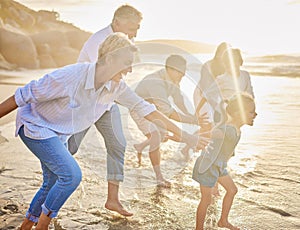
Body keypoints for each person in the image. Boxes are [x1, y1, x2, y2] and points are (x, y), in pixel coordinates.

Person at [0, 33, 206, 230]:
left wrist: (186, 136)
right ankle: (42, 226)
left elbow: (147, 110)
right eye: (127, 63)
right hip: (36, 126)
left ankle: (26, 225)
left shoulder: (116, 87)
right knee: (71, 176)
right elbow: (23, 94)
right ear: (110, 58)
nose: (130, 70)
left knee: (52, 181)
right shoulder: (72, 76)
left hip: (59, 132)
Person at [68, 5, 143, 216]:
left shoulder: (126, 39)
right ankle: (50, 189)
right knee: (70, 148)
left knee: (118, 143)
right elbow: (102, 76)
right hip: (85, 103)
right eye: (132, 27)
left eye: (137, 29)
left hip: (107, 103)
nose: (135, 33)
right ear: (117, 22)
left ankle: (113, 200)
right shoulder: (98, 41)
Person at [130, 54, 206, 187]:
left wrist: (190, 115)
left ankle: (140, 146)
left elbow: (178, 98)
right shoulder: (156, 82)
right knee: (157, 137)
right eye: (180, 72)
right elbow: (167, 112)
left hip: (155, 109)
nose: (183, 75)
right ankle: (159, 178)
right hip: (140, 110)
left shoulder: (174, 78)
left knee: (162, 136)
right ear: (170, 69)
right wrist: (191, 120)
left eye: (184, 71)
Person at [192, 93, 257, 230]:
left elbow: (228, 152)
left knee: (232, 190)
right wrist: (196, 141)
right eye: (251, 112)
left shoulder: (237, 131)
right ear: (239, 113)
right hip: (207, 166)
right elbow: (209, 133)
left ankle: (223, 221)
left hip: (219, 167)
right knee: (206, 199)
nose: (255, 115)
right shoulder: (228, 129)